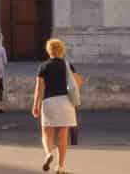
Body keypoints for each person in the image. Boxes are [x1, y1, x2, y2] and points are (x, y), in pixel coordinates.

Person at [31, 37, 80, 173]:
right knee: (63, 135)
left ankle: (48, 154)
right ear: (61, 50)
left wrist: (35, 105)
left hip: (49, 101)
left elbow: (38, 88)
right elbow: (78, 82)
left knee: (47, 133)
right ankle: (60, 167)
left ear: (49, 51)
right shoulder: (67, 65)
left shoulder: (43, 66)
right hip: (65, 101)